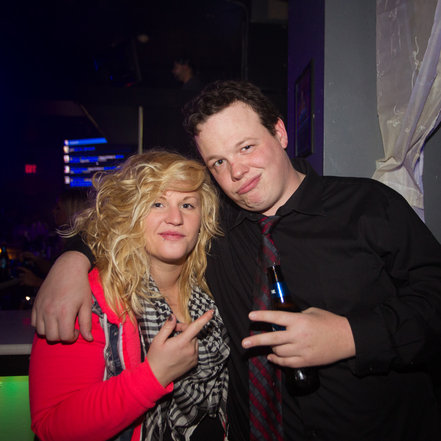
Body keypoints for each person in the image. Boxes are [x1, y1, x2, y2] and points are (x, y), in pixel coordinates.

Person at [32, 81, 441, 441]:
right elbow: (138, 218)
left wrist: (350, 336)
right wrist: (72, 260)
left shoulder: (368, 205)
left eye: (246, 147)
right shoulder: (212, 228)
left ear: (279, 132)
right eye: (219, 163)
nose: (238, 172)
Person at [29, 151, 229, 441]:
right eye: (157, 203)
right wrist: (154, 375)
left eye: (187, 205)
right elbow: (53, 426)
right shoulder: (92, 297)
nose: (175, 218)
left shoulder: (212, 286)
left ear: (203, 219)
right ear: (129, 213)